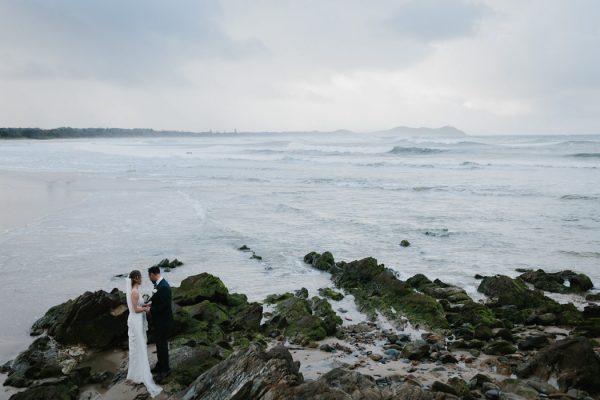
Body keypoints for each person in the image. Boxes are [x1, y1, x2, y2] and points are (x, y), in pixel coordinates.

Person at [125, 270, 162, 398]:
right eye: (140, 277)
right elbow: (135, 309)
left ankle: (135, 373)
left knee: (137, 346)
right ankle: (137, 375)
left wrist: (145, 304)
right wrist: (146, 308)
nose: (142, 279)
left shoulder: (134, 291)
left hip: (136, 321)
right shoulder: (134, 292)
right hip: (135, 321)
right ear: (135, 278)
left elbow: (137, 305)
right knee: (138, 346)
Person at [147, 265, 173, 382]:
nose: (149, 278)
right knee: (159, 344)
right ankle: (160, 365)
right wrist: (150, 304)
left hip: (164, 321)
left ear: (153, 274)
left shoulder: (164, 287)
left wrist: (151, 310)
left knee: (162, 345)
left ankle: (165, 370)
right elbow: (157, 299)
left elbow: (165, 305)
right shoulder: (158, 285)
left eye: (149, 276)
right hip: (159, 321)